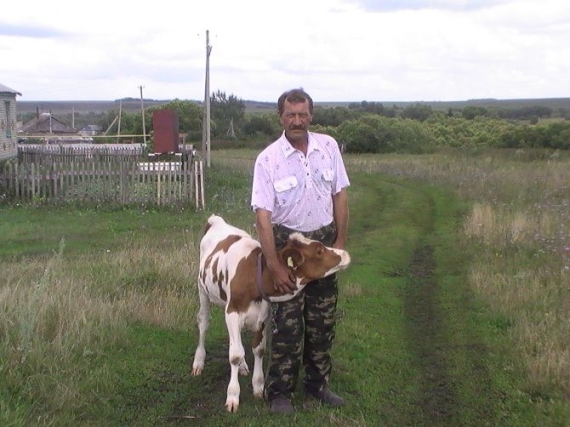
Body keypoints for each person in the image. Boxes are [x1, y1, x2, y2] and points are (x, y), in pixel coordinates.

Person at [251, 88, 350, 415]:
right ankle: (280, 392)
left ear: (311, 115)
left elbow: (340, 196)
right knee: (287, 325)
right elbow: (263, 219)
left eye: (302, 114)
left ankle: (318, 384)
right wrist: (275, 266)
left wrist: (339, 243)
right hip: (288, 253)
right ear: (280, 117)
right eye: (290, 115)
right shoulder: (268, 160)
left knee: (322, 322)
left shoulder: (329, 148)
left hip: (321, 251)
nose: (296, 121)